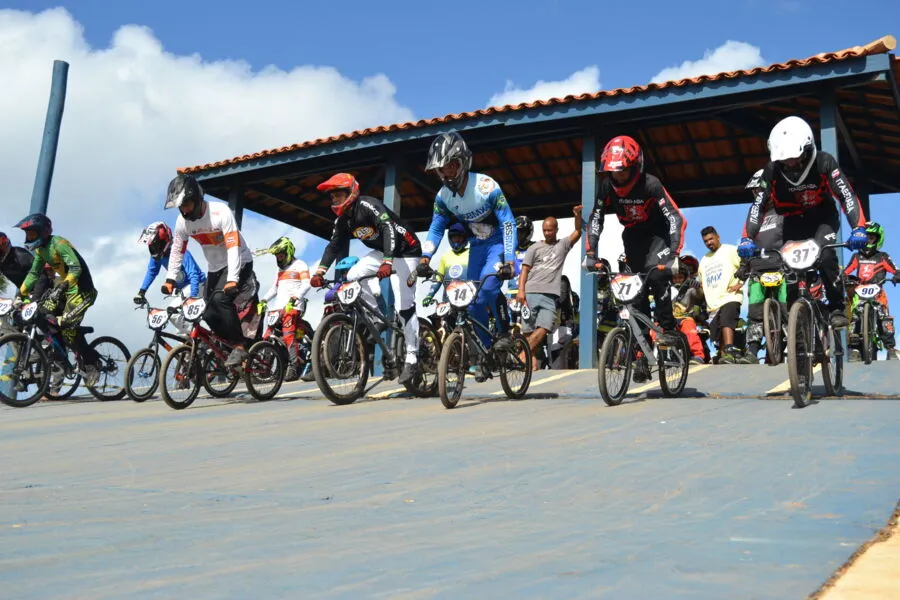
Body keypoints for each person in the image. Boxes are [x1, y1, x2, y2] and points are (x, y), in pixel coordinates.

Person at [739, 115, 869, 329]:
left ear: (808, 148)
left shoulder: (825, 162)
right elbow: (758, 206)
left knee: (826, 255)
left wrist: (858, 228)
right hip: (791, 221)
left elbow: (847, 195)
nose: (789, 162)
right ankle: (796, 327)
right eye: (784, 159)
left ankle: (836, 306)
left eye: (794, 156)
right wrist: (746, 238)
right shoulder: (770, 171)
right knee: (788, 268)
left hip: (822, 218)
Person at [584, 135, 686, 382]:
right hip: (633, 239)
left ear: (635, 166)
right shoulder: (607, 186)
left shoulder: (651, 184)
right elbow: (596, 218)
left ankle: (668, 330)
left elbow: (675, 217)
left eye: (622, 172)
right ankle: (641, 354)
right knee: (633, 295)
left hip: (658, 236)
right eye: (612, 172)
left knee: (658, 274)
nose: (617, 177)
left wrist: (674, 254)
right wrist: (591, 253)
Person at [309, 172, 422, 385]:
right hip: (382, 252)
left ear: (351, 192)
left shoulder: (368, 205)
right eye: (332, 197)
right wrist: (319, 272)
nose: (334, 200)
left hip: (407, 251)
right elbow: (334, 246)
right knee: (352, 276)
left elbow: (389, 229)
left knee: (404, 304)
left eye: (338, 195)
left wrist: (388, 261)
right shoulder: (343, 220)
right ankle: (378, 318)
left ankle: (412, 357)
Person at [418, 131, 517, 353]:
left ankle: (504, 333)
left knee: (487, 288)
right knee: (471, 302)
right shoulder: (443, 197)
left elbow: (508, 223)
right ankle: (486, 351)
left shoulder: (486, 186)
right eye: (441, 169)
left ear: (462, 162)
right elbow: (436, 227)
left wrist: (510, 260)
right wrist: (426, 257)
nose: (445, 173)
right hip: (477, 248)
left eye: (450, 166)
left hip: (497, 244)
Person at [163, 173, 257, 367]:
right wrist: (170, 278)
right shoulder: (183, 222)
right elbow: (177, 250)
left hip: (240, 262)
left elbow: (233, 247)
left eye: (187, 204)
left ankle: (240, 346)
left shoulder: (220, 212)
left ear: (197, 199)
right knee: (207, 311)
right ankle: (226, 345)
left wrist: (233, 279)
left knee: (221, 299)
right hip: (214, 268)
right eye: (181, 207)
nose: (184, 211)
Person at [14, 213, 102, 387]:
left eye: (32, 233)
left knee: (68, 326)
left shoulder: (59, 244)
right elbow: (34, 273)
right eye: (27, 234)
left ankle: (93, 364)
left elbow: (75, 267)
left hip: (83, 291)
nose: (29, 237)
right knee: (42, 313)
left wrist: (62, 286)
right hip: (65, 290)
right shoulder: (40, 250)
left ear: (43, 232)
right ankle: (60, 357)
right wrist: (20, 293)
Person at [516, 206, 583, 369]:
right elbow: (524, 270)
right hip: (530, 292)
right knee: (527, 329)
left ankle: (522, 355)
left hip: (550, 295)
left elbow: (578, 232)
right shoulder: (534, 248)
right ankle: (530, 363)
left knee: (545, 326)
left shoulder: (562, 245)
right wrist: (521, 290)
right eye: (545, 230)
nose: (547, 233)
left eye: (550, 230)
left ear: (556, 230)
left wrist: (577, 216)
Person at [735, 170, 786, 363]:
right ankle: (753, 352)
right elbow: (746, 240)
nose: (757, 195)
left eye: (760, 191)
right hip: (758, 267)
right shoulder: (753, 213)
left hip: (782, 266)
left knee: (786, 308)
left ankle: (794, 348)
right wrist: (742, 266)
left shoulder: (784, 208)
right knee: (755, 312)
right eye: (754, 192)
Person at [133, 221, 207, 335]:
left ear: (164, 241)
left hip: (197, 285)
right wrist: (141, 291)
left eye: (155, 245)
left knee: (171, 311)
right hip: (182, 291)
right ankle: (191, 344)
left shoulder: (181, 252)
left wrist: (193, 297)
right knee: (180, 328)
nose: (153, 249)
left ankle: (198, 337)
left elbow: (194, 275)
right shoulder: (157, 256)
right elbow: (152, 272)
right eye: (151, 246)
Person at [256, 236, 314, 380]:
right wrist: (263, 300)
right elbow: (275, 287)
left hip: (293, 305)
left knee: (288, 336)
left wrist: (295, 297)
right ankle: (266, 367)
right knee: (267, 336)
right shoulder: (279, 269)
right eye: (277, 256)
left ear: (288, 252)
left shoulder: (300, 264)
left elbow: (307, 284)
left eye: (281, 255)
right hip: (278, 308)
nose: (279, 258)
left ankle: (294, 367)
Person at [842, 221, 899, 361]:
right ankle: (854, 349)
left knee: (884, 317)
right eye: (866, 237)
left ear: (878, 239)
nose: (868, 240)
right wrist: (843, 277)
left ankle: (890, 349)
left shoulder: (883, 256)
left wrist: (897, 275)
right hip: (860, 290)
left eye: (872, 237)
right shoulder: (857, 256)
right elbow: (846, 270)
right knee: (854, 317)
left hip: (878, 290)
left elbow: (895, 269)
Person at [697, 226, 747, 364]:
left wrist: (741, 283)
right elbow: (702, 283)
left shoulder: (731, 250)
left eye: (711, 239)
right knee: (717, 334)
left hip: (730, 296)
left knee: (727, 320)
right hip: (713, 303)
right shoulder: (704, 260)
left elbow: (746, 265)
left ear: (718, 236)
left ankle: (730, 351)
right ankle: (725, 354)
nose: (708, 243)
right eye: (705, 241)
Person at [423, 223, 470, 306]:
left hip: (470, 299)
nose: (456, 239)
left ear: (465, 237)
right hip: (448, 301)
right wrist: (429, 295)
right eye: (453, 237)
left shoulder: (472, 253)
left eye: (459, 236)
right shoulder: (445, 257)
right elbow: (438, 279)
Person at [0, 232, 53, 301]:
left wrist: (35, 298)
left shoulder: (20, 255)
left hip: (42, 291)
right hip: (25, 294)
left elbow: (41, 275)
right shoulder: (2, 263)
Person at [506, 215, 534, 301]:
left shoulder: (535, 247)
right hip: (512, 292)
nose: (519, 235)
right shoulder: (508, 250)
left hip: (530, 291)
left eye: (522, 232)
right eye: (517, 231)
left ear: (529, 232)